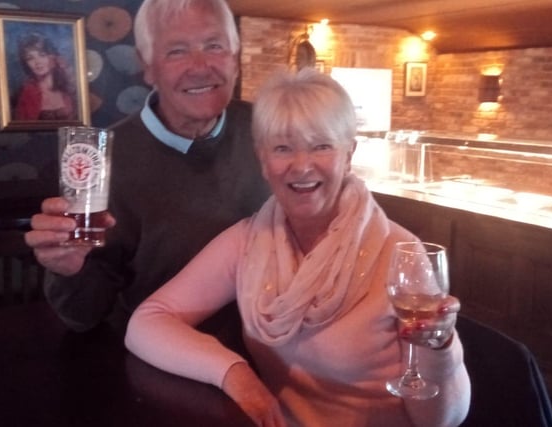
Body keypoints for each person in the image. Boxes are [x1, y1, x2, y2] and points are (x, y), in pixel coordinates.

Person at [125, 68, 471, 427]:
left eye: (321, 146)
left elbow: (441, 420)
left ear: (348, 154)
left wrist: (439, 348)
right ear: (263, 160)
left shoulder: (400, 252)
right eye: (282, 148)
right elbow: (148, 322)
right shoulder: (251, 241)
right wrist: (234, 374)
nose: (302, 166)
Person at [24, 0, 270, 334]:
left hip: (279, 351)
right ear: (147, 65)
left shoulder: (274, 131)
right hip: (163, 360)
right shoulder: (100, 161)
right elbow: (84, 316)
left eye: (214, 46)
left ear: (235, 58)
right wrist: (69, 270)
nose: (200, 67)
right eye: (177, 51)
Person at [14, 31, 76, 121]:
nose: (37, 62)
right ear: (26, 63)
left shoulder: (69, 87)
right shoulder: (27, 93)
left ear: (53, 57)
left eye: (42, 55)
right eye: (30, 58)